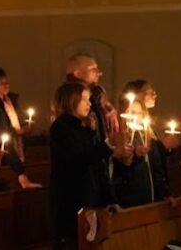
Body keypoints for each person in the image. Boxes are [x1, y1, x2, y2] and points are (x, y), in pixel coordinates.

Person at [48, 82, 124, 250]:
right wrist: (108, 145)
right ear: (71, 100)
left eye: (89, 99)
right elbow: (78, 159)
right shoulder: (60, 128)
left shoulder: (87, 127)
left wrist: (110, 198)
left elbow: (99, 167)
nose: (89, 104)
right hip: (71, 200)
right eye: (84, 99)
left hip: (92, 198)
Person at [111, 80, 174, 207]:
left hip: (149, 195)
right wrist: (133, 156)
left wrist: (164, 192)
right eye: (132, 113)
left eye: (139, 114)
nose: (135, 117)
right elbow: (118, 171)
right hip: (129, 198)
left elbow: (156, 167)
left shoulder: (147, 135)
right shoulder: (119, 135)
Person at [66, 53, 119, 143]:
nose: (99, 73)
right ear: (78, 74)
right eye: (93, 69)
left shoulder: (98, 94)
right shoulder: (70, 99)